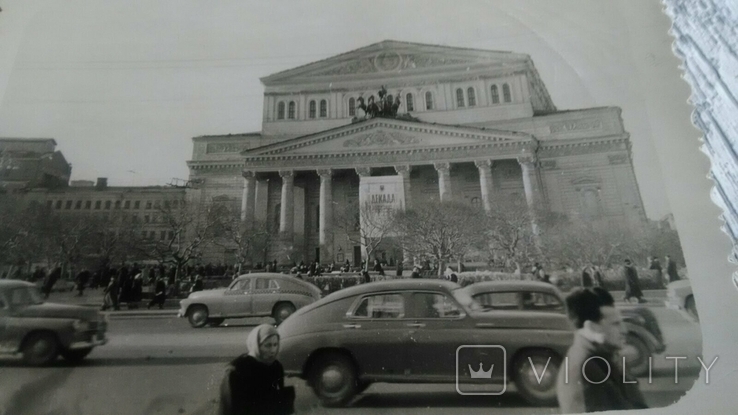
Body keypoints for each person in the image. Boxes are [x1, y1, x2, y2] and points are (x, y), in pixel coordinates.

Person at [556, 287, 648, 413]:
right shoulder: (586, 369)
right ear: (592, 327)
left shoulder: (603, 354)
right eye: (615, 324)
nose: (624, 330)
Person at [218, 324, 295, 415]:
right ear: (257, 345)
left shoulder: (276, 366)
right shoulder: (238, 369)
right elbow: (230, 407)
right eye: (267, 345)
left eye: (275, 344)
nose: (273, 350)